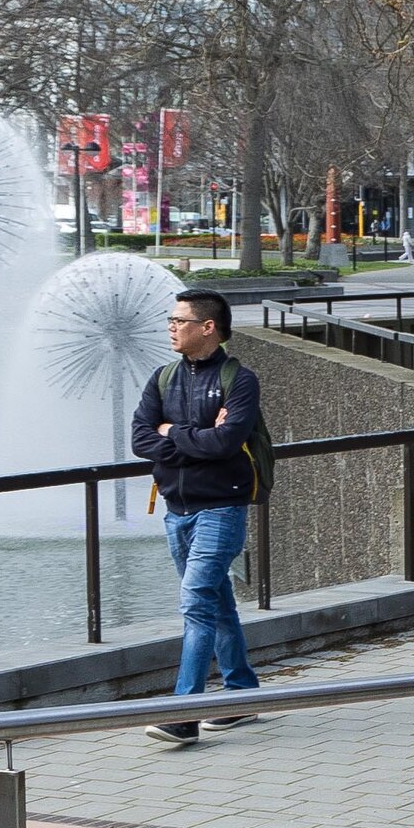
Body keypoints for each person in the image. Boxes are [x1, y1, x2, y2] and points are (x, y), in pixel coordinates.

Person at [132, 289, 270, 747]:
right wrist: (196, 434)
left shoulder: (239, 379)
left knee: (195, 604)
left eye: (179, 320)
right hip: (176, 510)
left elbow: (226, 444)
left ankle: (184, 712)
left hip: (221, 508)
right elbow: (139, 438)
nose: (171, 327)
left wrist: (174, 433)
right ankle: (242, 693)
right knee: (216, 600)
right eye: (170, 320)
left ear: (207, 327)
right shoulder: (163, 378)